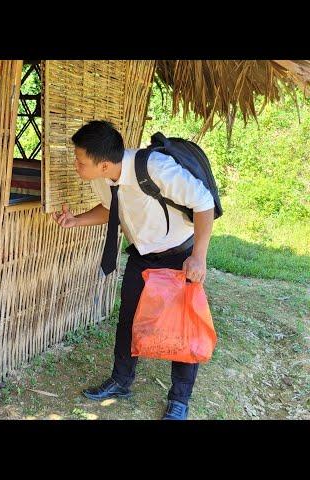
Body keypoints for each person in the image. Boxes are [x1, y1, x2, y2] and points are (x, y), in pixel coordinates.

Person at [52, 120, 214, 420]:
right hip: (142, 256)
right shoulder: (104, 178)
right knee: (128, 319)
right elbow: (112, 208)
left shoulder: (155, 168)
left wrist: (199, 258)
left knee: (181, 328)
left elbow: (203, 202)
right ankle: (121, 381)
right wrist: (77, 220)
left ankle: (179, 400)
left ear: (103, 165)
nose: (76, 166)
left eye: (80, 161)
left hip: (179, 255)